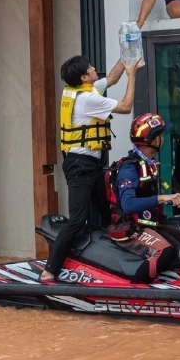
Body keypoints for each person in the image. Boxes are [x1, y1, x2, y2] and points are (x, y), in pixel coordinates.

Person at [40, 56, 139, 282]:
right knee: (77, 219)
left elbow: (112, 78)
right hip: (80, 166)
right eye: (91, 68)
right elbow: (126, 106)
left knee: (107, 211)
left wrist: (127, 58)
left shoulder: (84, 89)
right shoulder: (87, 100)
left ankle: (109, 260)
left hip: (91, 164)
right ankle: (50, 270)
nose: (95, 69)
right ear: (84, 77)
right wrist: (132, 75)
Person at [105, 113, 180, 281]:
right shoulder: (130, 168)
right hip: (130, 228)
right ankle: (137, 292)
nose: (163, 138)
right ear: (153, 140)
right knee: (164, 251)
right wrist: (162, 198)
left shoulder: (149, 164)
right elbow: (128, 205)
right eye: (160, 135)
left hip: (149, 224)